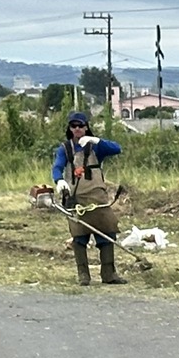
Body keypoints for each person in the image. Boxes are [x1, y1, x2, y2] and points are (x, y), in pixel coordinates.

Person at [51, 110, 126, 286]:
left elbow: (117, 149)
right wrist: (59, 180)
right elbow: (57, 167)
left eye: (81, 125)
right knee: (79, 237)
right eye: (73, 126)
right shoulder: (64, 149)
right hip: (76, 199)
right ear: (69, 128)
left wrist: (97, 140)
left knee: (108, 233)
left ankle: (109, 274)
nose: (77, 129)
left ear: (86, 127)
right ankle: (83, 275)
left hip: (98, 198)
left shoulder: (96, 147)